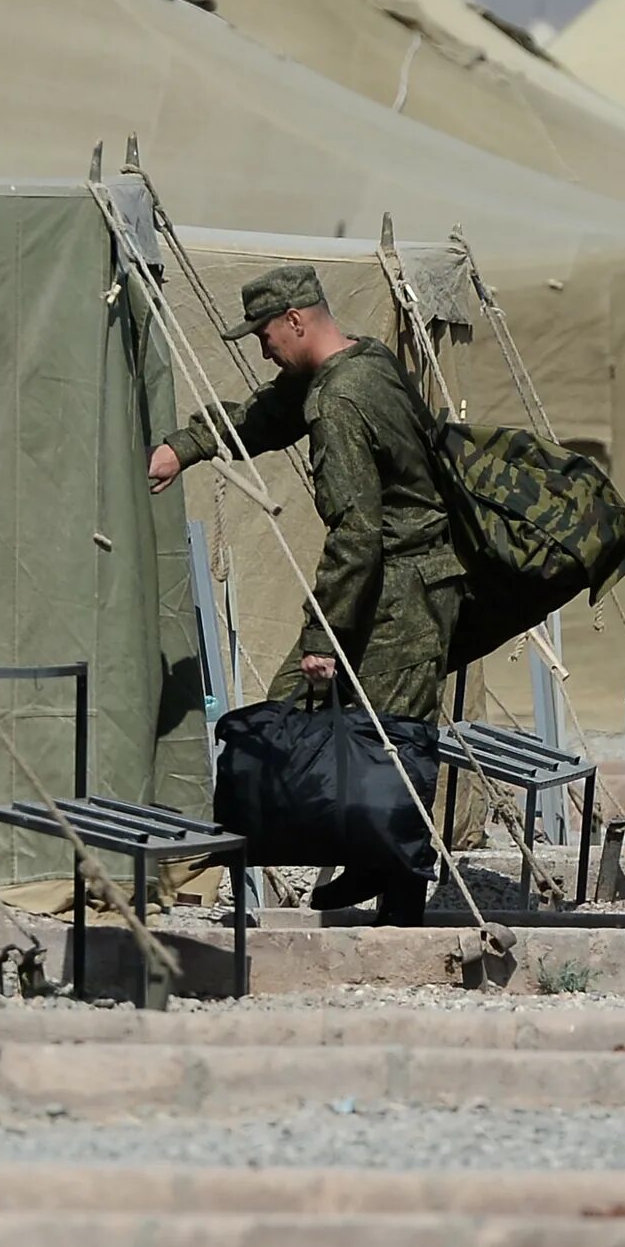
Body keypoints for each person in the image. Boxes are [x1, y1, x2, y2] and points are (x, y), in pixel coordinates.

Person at [148, 263, 461, 924]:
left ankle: (399, 912)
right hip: (396, 587)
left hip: (400, 595)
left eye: (266, 335)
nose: (263, 349)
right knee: (319, 719)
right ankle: (372, 865)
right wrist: (184, 448)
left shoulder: (338, 401)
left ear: (296, 320)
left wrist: (325, 636)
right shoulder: (363, 364)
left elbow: (358, 528)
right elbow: (263, 415)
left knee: (390, 743)